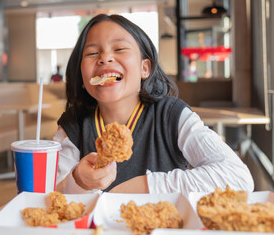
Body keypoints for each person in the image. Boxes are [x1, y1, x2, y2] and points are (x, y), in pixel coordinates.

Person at [53, 14, 254, 195]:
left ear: (144, 68)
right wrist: (77, 180)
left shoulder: (172, 116)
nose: (105, 58)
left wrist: (147, 186)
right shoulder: (73, 125)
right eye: (91, 53)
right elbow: (48, 195)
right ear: (81, 75)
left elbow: (238, 177)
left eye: (120, 48)